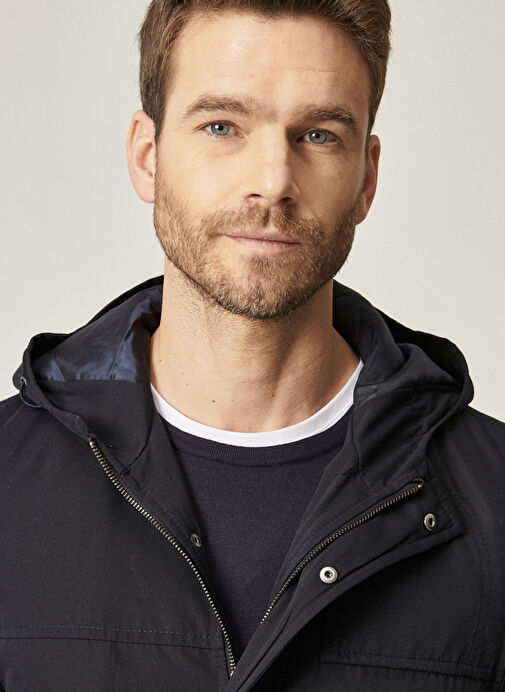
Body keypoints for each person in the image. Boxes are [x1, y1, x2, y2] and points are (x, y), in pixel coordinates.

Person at [0, 0, 504, 690]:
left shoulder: (493, 500)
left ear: (366, 178)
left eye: (319, 135)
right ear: (147, 157)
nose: (272, 182)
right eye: (221, 126)